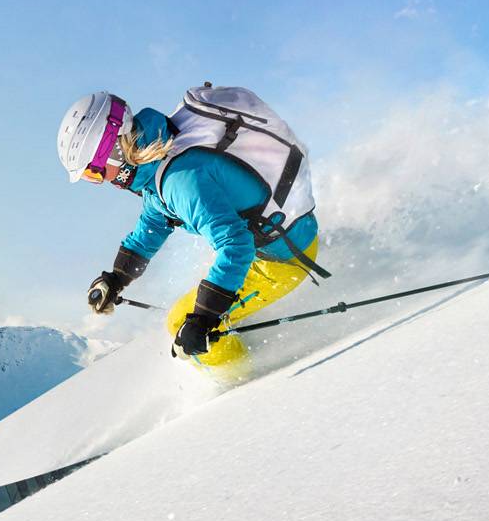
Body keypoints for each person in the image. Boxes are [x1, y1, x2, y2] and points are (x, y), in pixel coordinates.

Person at [56, 86, 327, 373]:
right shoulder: (161, 156)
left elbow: (236, 245)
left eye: (93, 171)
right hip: (282, 240)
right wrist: (116, 278)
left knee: (178, 323)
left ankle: (247, 387)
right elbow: (154, 223)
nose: (98, 180)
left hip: (284, 260)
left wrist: (204, 318)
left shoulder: (180, 181)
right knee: (192, 313)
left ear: (112, 151)